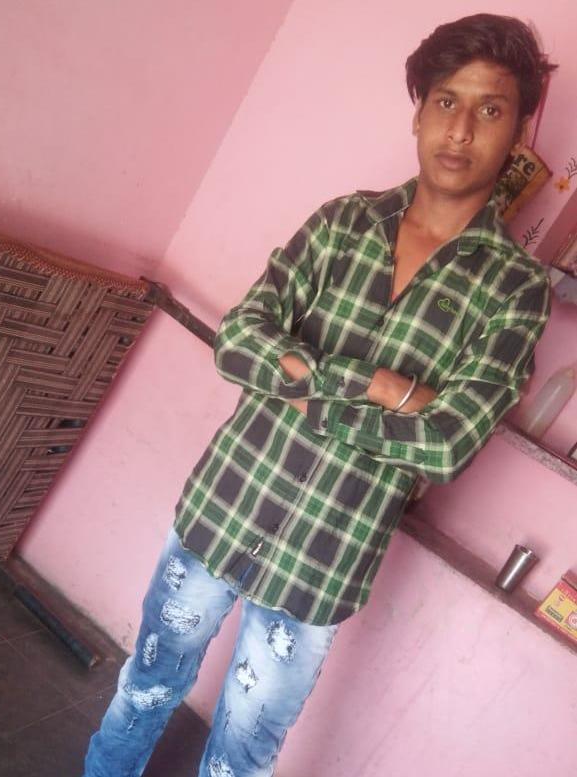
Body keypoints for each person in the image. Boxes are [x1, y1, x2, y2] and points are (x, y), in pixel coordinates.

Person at [84, 13, 557, 777]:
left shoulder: (514, 287)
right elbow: (240, 340)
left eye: (489, 109)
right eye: (445, 101)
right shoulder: (343, 223)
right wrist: (381, 387)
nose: (461, 129)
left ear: (516, 131)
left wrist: (303, 383)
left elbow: (446, 444)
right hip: (222, 506)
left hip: (322, 563)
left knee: (241, 757)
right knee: (144, 687)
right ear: (418, 111)